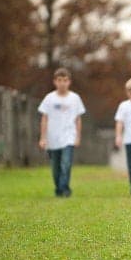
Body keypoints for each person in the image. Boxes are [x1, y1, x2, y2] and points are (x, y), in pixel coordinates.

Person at [38, 68, 86, 197]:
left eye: (65, 80)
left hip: (68, 137)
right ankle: (59, 188)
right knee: (56, 168)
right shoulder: (49, 98)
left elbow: (78, 119)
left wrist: (77, 136)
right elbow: (44, 118)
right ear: (55, 82)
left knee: (66, 164)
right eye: (59, 80)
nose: (62, 83)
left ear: (69, 82)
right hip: (52, 138)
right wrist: (43, 137)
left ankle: (65, 189)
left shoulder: (75, 98)